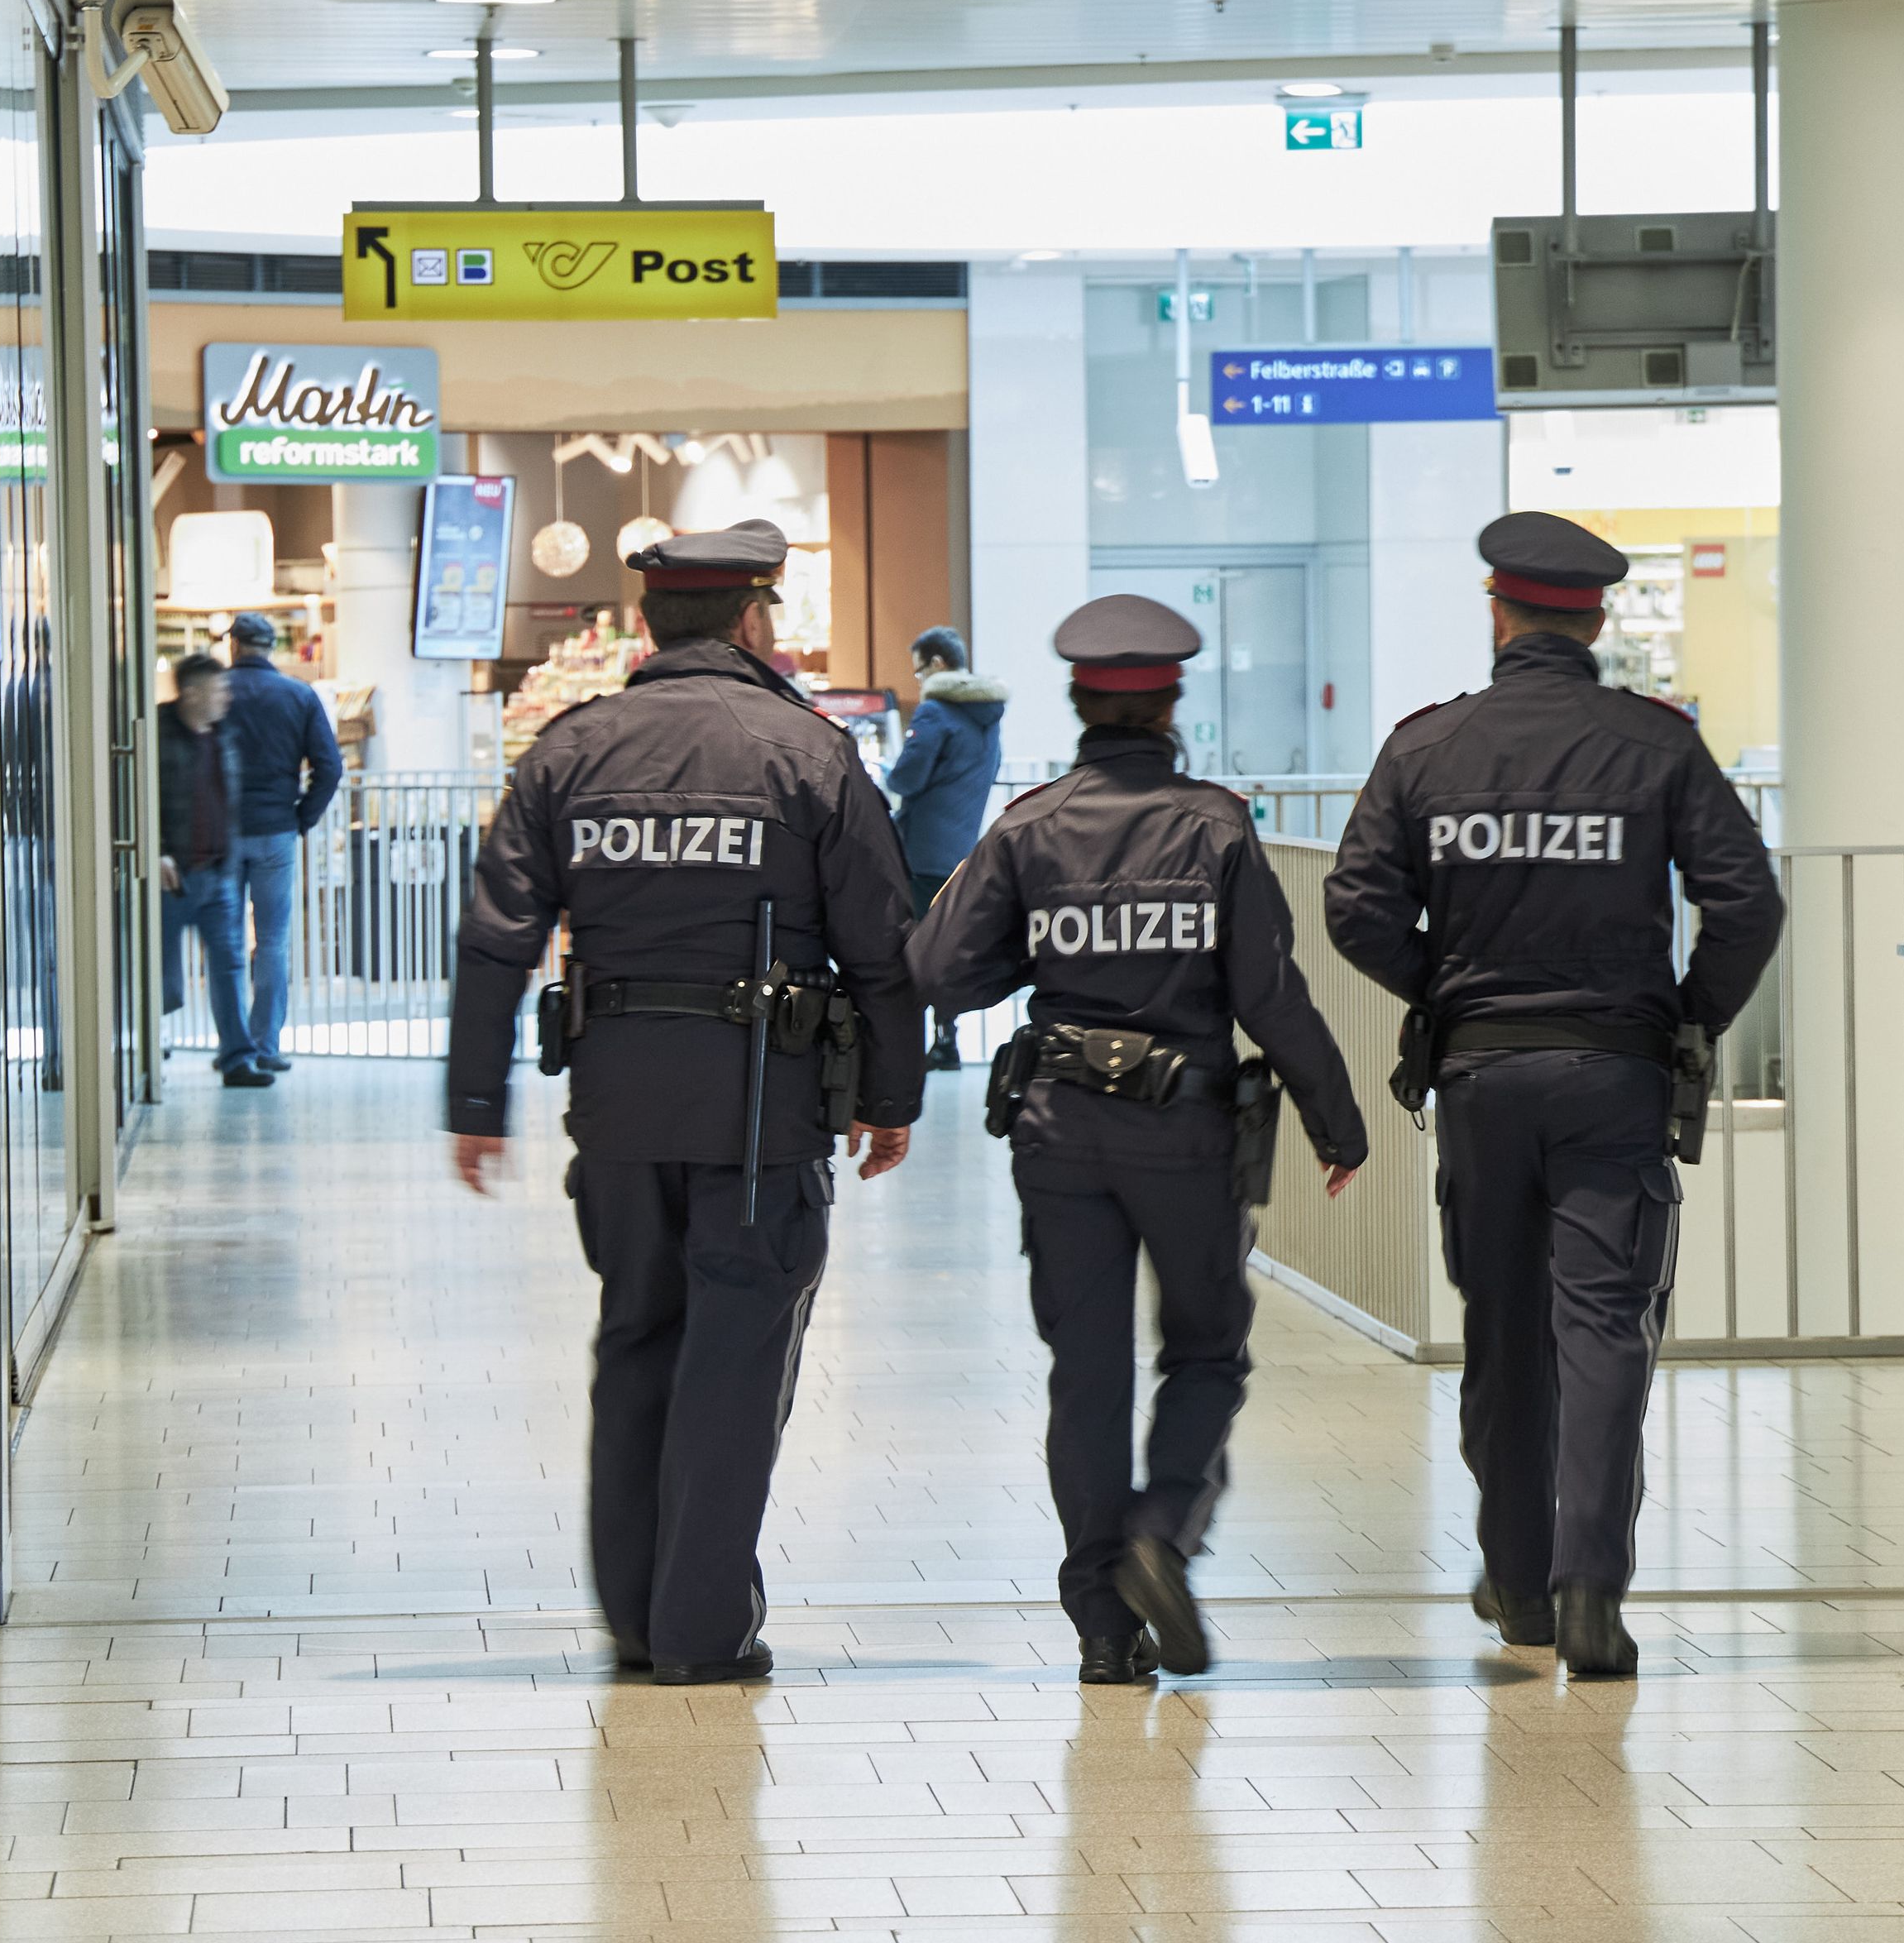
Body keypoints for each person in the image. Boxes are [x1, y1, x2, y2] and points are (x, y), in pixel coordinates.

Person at [445, 520, 926, 1686]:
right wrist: (891, 1094)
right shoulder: (809, 755)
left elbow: (497, 934)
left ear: (654, 621)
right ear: (754, 618)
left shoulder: (569, 750)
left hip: (615, 1108)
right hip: (762, 1113)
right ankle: (703, 1631)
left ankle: (635, 1619)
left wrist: (476, 1098)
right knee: (736, 1362)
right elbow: (883, 940)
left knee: (637, 1344)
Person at [1322, 512, 1784, 1677]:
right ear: (1596, 619)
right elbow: (1748, 901)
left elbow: (1356, 906)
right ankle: (1591, 1591)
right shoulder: (1655, 744)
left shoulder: (1429, 747)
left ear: (1498, 610)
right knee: (1603, 1329)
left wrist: (1447, 991)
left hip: (1482, 1077)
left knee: (1502, 1331)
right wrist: (1686, 1013)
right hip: (1616, 1074)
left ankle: (1519, 1582)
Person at [908, 594, 1368, 1686]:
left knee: (1088, 1373)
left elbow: (937, 967)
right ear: (1170, 704)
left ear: (1078, 704)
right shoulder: (1214, 824)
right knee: (1207, 1350)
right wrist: (1334, 1119)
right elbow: (1269, 989)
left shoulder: (1027, 826)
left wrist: (1039, 954)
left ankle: (1105, 1627)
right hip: (1188, 1131)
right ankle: (1165, 1526)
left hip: (1060, 1128)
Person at [217, 610, 344, 1076]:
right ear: (272, 647)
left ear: (233, 645)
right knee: (272, 941)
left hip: (222, 837)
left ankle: (236, 1051)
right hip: (276, 832)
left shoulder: (215, 693)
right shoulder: (299, 695)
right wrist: (301, 819)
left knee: (226, 941)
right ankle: (265, 1043)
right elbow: (329, 768)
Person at [883, 625, 1006, 1070]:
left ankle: (909, 1043)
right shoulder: (987, 716)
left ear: (936, 664)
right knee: (945, 947)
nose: (918, 681)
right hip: (959, 848)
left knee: (910, 946)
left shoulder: (936, 712)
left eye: (918, 672)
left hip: (919, 851)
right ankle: (947, 1040)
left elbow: (908, 776)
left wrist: (887, 773)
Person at [155, 652, 263, 1087]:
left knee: (229, 964)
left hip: (218, 874)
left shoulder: (224, 735)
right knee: (157, 970)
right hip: (170, 878)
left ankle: (237, 1058)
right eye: (219, 689)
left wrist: (229, 862)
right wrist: (157, 850)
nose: (226, 697)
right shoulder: (155, 734)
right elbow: (136, 798)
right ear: (193, 692)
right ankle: (146, 1049)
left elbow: (228, 803)